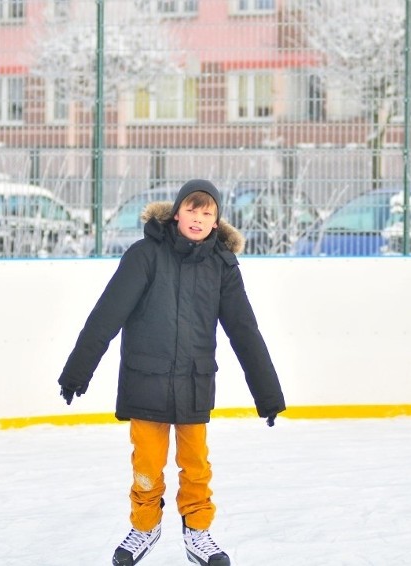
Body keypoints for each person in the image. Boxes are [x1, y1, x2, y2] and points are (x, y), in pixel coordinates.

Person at [58, 179, 285, 566]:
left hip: (194, 381)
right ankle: (145, 526)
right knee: (146, 463)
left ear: (216, 222)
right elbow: (107, 314)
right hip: (145, 379)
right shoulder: (145, 256)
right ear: (177, 212)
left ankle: (197, 530)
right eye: (192, 210)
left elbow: (244, 330)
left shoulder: (222, 267)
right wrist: (78, 371)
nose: (198, 218)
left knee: (196, 465)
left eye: (207, 212)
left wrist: (267, 394)